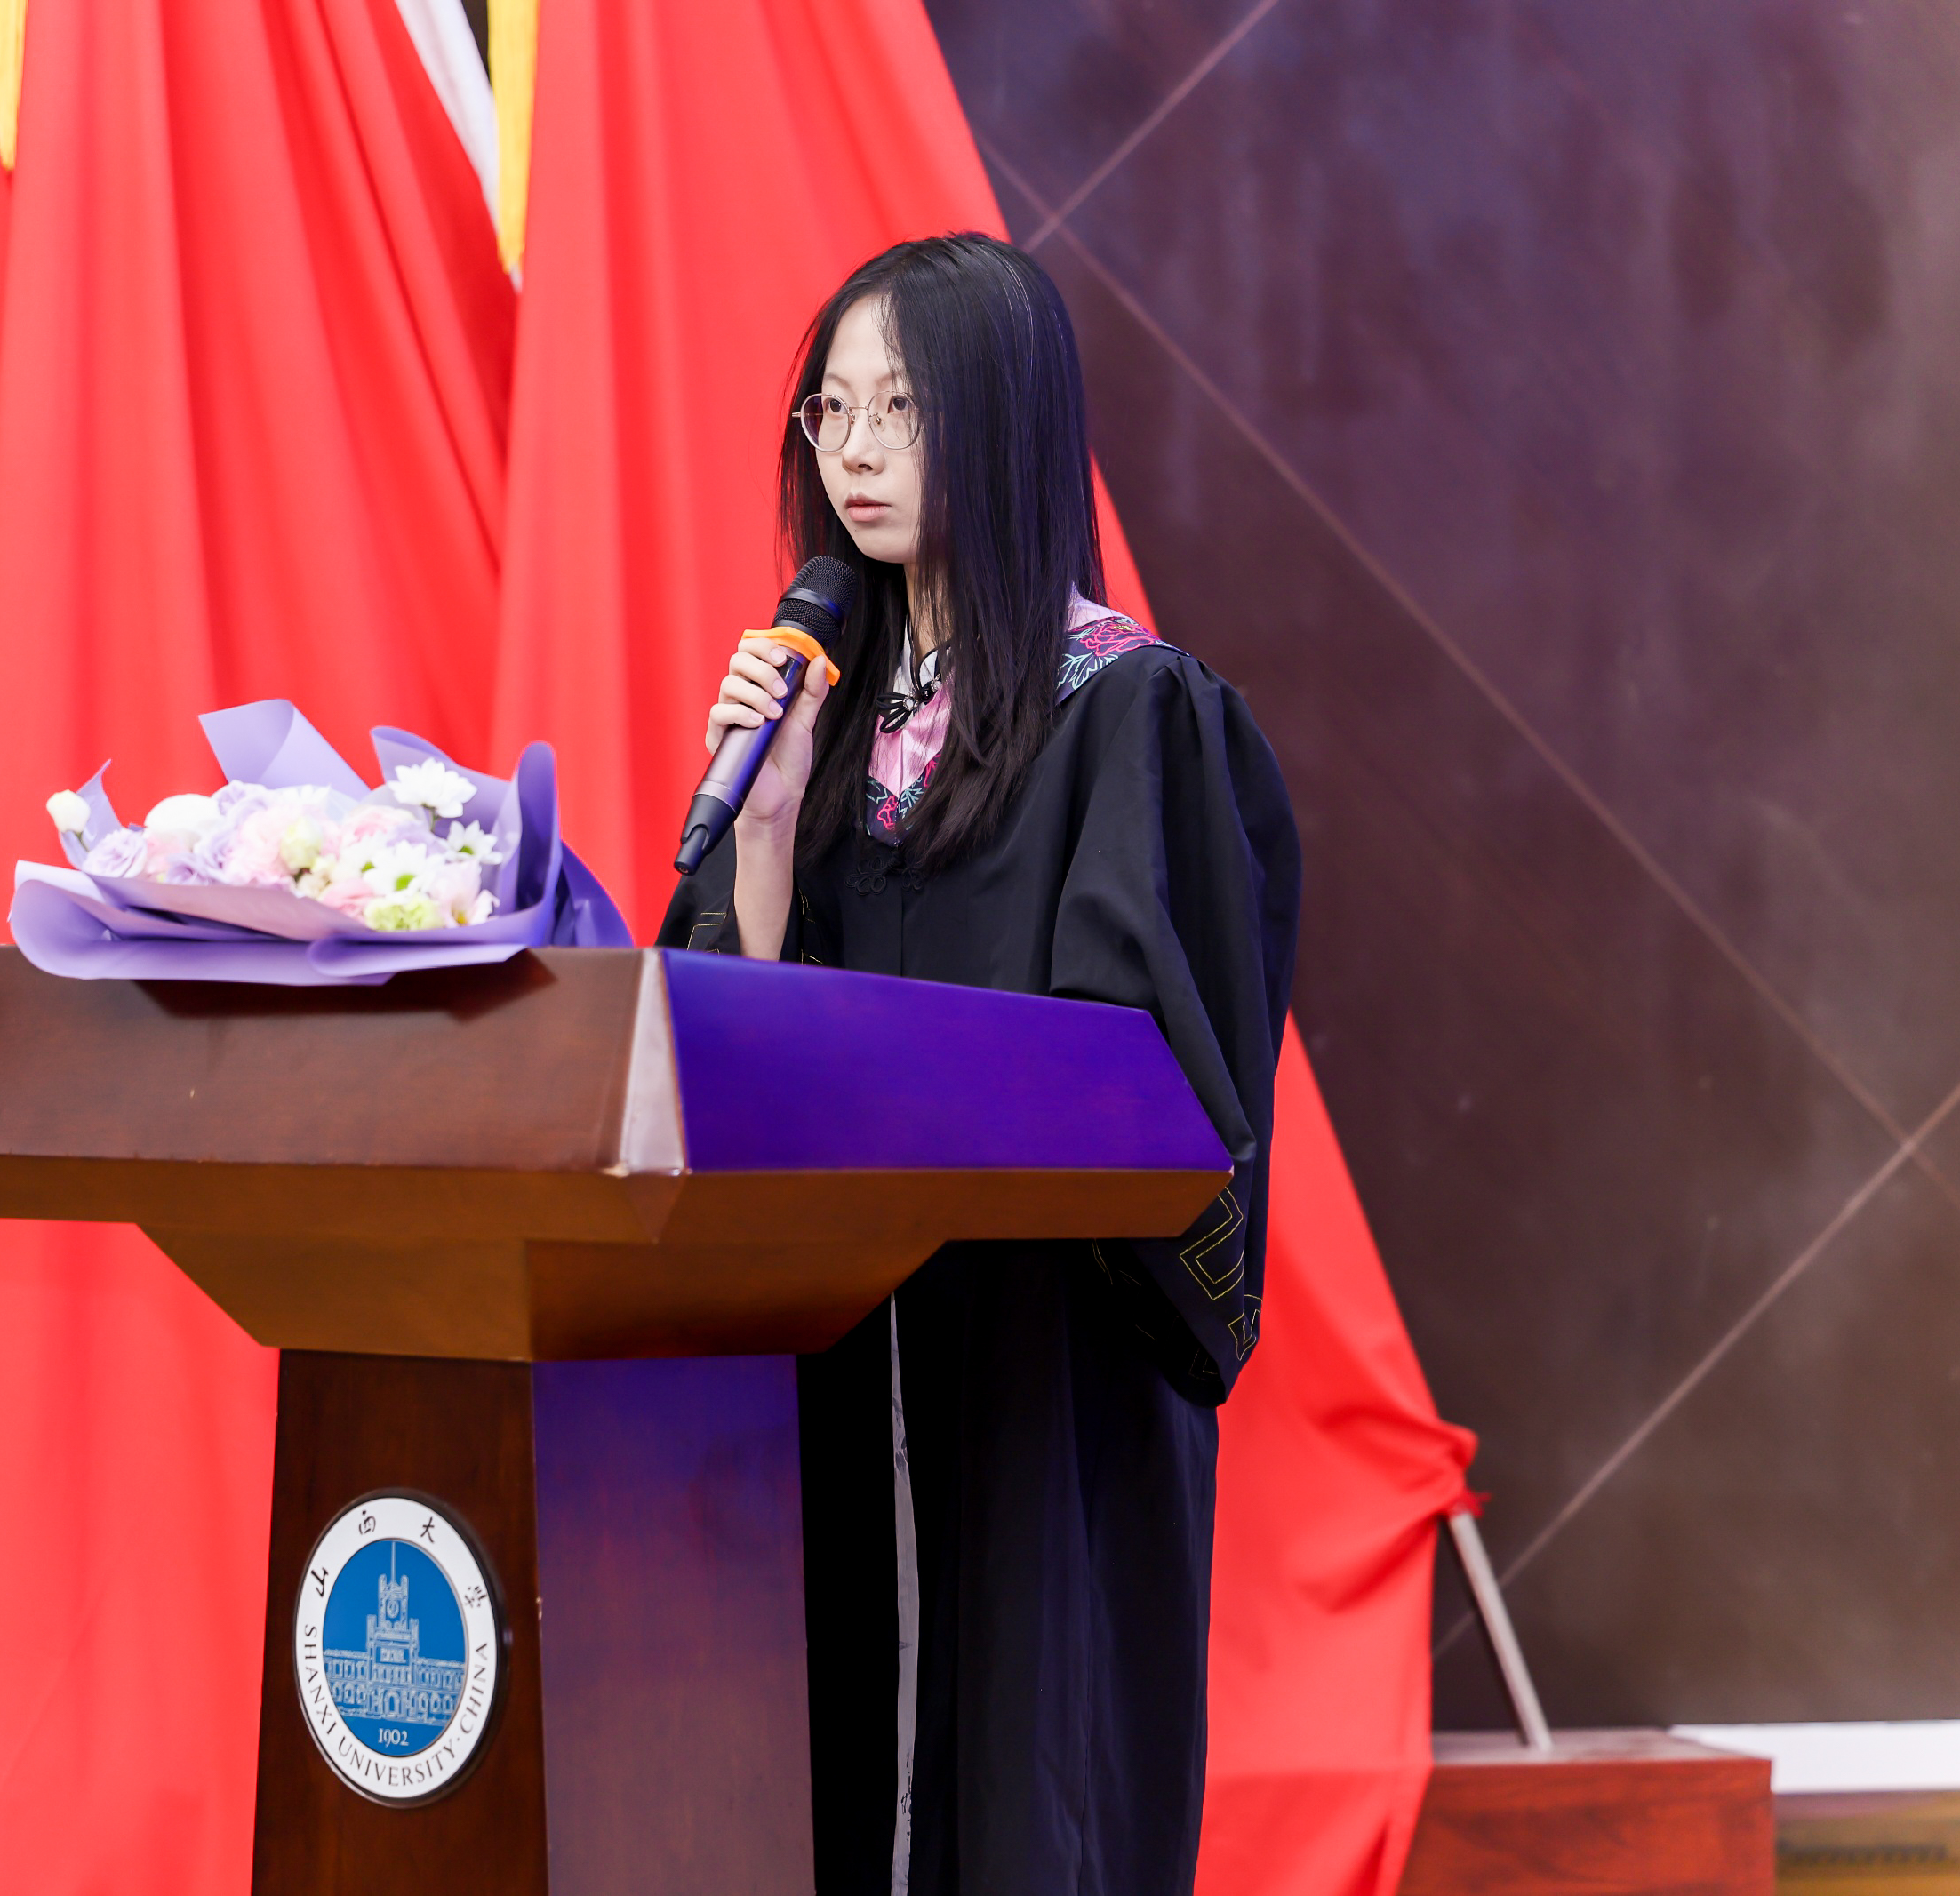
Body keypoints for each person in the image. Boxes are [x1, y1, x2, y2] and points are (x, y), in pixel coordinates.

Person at [657, 234, 1300, 1895]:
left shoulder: (1130, 712)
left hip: (1039, 1375)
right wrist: (769, 823)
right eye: (832, 410)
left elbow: (1159, 1088)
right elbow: (726, 1041)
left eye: (903, 409)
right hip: (836, 1357)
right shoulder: (819, 722)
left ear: (1004, 428)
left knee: (1021, 1787)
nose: (855, 450)